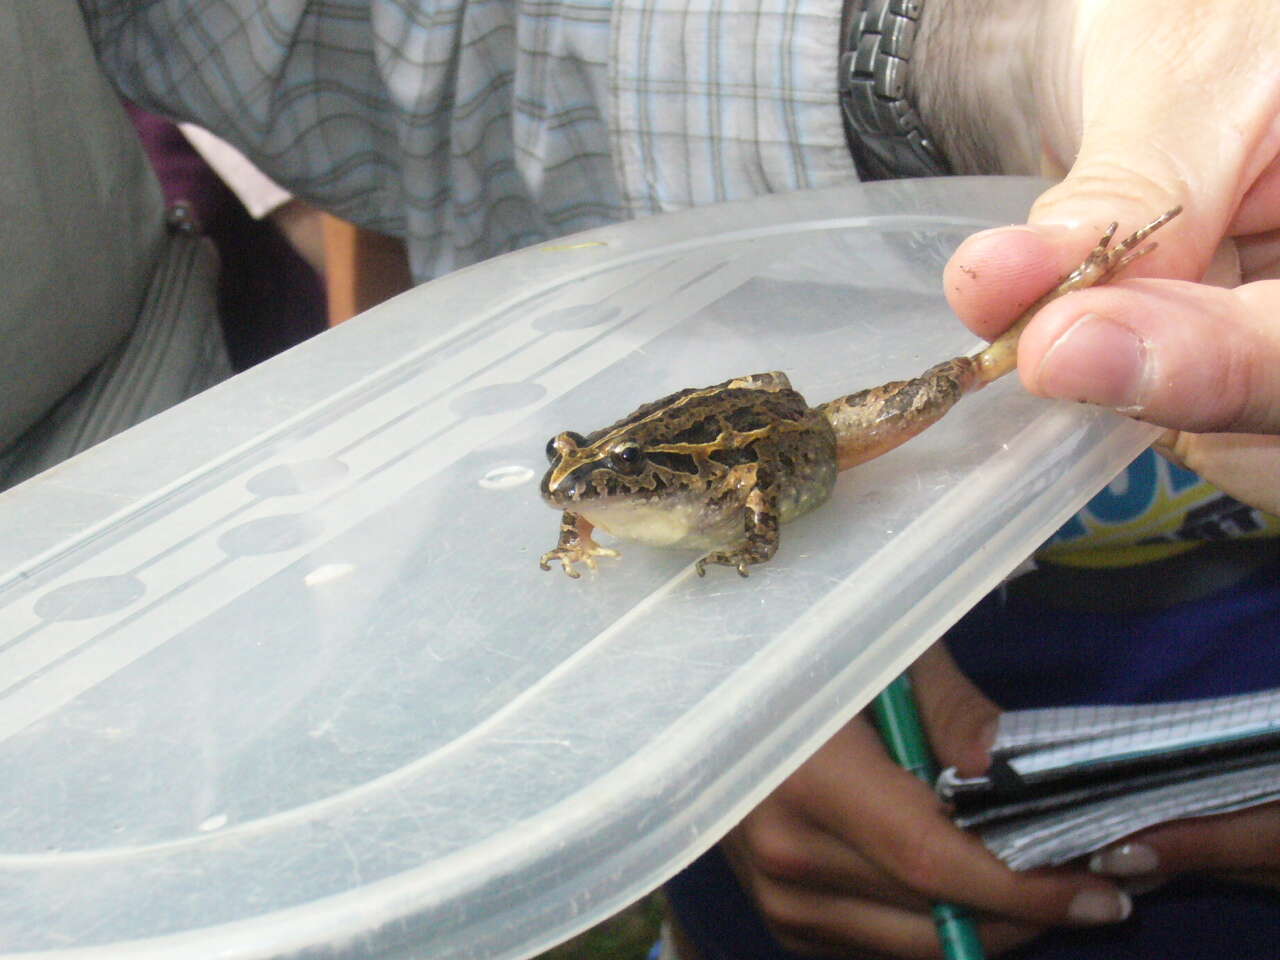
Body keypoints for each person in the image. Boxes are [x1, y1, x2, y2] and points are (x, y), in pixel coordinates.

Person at [7, 1, 1279, 957]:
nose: (577, 502)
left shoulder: (714, 485)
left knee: (959, 380)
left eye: (589, 490)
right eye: (575, 488)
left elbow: (433, 40)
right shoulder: (608, 502)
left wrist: (987, 45)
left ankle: (1067, 288)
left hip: (803, 423)